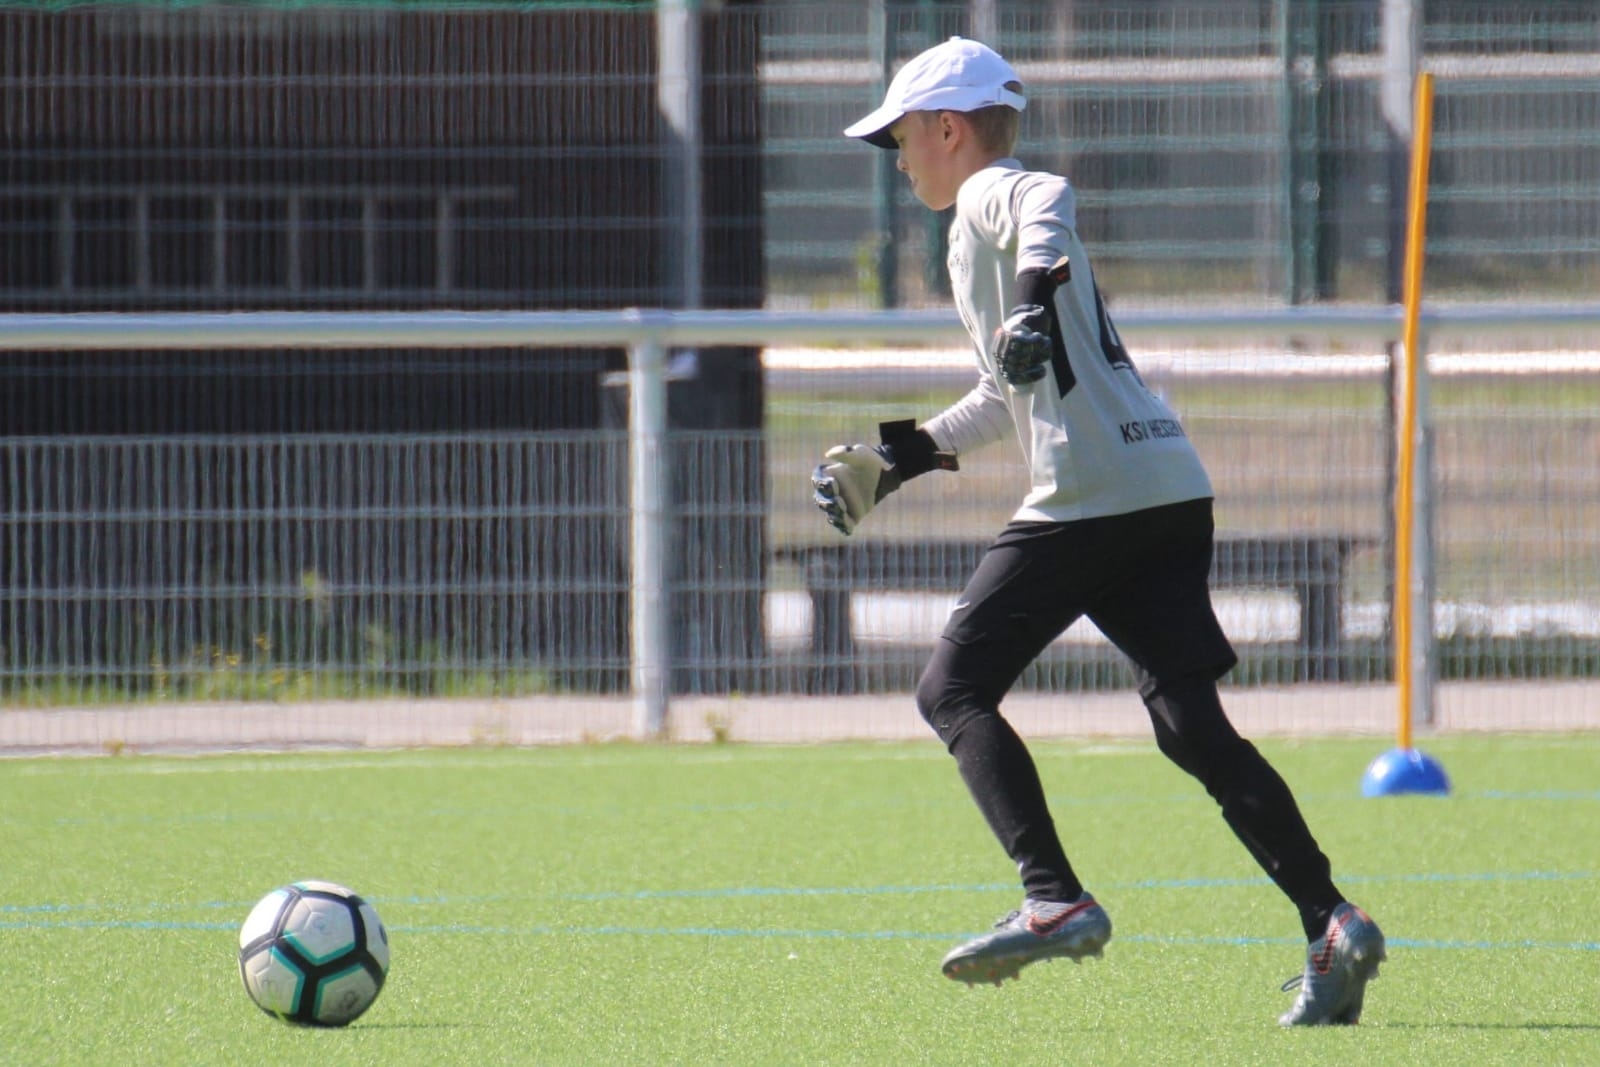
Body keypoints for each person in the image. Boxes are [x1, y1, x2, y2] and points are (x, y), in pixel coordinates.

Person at [811, 36, 1385, 1026]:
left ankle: (1053, 896)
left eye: (901, 139)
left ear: (948, 130)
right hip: (1165, 481)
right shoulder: (983, 237)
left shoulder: (990, 197)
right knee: (1189, 723)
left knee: (951, 689)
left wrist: (1031, 304)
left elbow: (1046, 194)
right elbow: (1003, 391)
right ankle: (1330, 918)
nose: (898, 161)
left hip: (1089, 495)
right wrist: (897, 458)